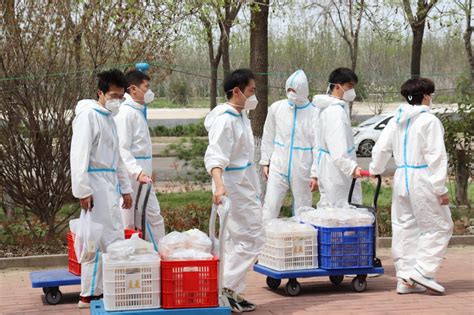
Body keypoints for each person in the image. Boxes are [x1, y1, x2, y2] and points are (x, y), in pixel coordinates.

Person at [369, 77, 453, 294]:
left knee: (404, 227)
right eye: (431, 94)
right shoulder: (429, 121)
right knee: (439, 226)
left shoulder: (396, 119)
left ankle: (405, 279)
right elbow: (436, 156)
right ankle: (423, 271)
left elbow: (380, 149)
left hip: (402, 177)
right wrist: (440, 188)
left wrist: (375, 169)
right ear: (425, 95)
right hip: (422, 176)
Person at [70, 69, 133, 308]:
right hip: (95, 185)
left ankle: (106, 289)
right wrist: (83, 191)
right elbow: (79, 155)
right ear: (100, 93)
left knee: (113, 238)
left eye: (121, 96)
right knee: (94, 239)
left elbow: (117, 158)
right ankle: (88, 293)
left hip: (109, 185)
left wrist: (125, 188)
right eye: (114, 95)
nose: (118, 100)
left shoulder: (108, 118)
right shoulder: (88, 116)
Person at [204, 68, 264, 313]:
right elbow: (215, 156)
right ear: (237, 91)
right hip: (232, 187)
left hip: (243, 183)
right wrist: (219, 186)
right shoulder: (226, 120)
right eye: (251, 90)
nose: (254, 95)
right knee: (253, 236)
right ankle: (224, 288)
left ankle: (231, 291)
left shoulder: (241, 116)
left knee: (233, 240)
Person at [114, 70, 165, 250]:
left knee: (152, 215)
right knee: (127, 218)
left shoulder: (136, 112)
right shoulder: (125, 114)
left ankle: (158, 253)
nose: (149, 91)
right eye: (146, 87)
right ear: (133, 89)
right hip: (131, 176)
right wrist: (137, 172)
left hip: (142, 175)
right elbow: (122, 149)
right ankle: (127, 256)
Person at [260, 70, 318, 220]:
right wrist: (266, 161)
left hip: (302, 166)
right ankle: (265, 240)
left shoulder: (314, 113)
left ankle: (301, 240)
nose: (291, 93)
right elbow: (268, 135)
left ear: (303, 90)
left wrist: (315, 173)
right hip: (278, 164)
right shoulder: (276, 108)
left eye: (295, 90)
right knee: (270, 206)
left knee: (303, 208)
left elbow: (317, 146)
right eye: (289, 90)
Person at [312, 67, 362, 207]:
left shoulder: (328, 108)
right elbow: (338, 150)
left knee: (331, 206)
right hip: (336, 172)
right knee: (341, 210)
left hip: (329, 168)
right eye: (350, 86)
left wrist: (315, 172)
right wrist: (351, 168)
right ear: (338, 86)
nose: (352, 91)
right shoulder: (335, 112)